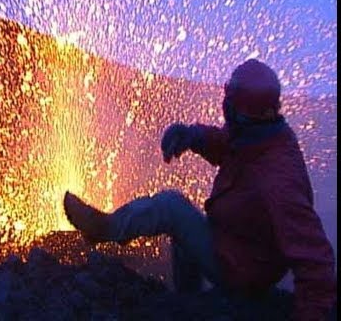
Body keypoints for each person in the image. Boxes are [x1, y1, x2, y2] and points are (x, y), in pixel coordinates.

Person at [64, 59, 336, 320]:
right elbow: (230, 145)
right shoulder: (261, 133)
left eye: (230, 106)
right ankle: (188, 302)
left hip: (242, 271)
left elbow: (315, 259)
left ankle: (106, 228)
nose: (225, 110)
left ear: (239, 111)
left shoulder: (280, 181)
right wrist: (193, 136)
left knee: (172, 208)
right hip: (236, 246)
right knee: (187, 232)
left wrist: (310, 315)